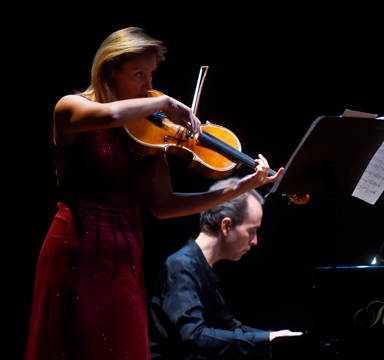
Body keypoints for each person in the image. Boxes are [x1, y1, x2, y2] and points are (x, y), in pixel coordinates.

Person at [23, 27, 282, 360]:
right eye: (139, 75)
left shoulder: (149, 135)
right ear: (108, 71)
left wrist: (239, 187)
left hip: (125, 258)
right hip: (77, 251)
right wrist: (164, 102)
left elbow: (164, 205)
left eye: (151, 75)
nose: (147, 86)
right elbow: (113, 114)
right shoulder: (71, 108)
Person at [149, 177, 301, 359]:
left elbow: (230, 328)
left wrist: (275, 338)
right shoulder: (181, 266)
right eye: (251, 231)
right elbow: (193, 336)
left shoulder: (201, 268)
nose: (255, 241)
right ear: (226, 226)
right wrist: (267, 340)